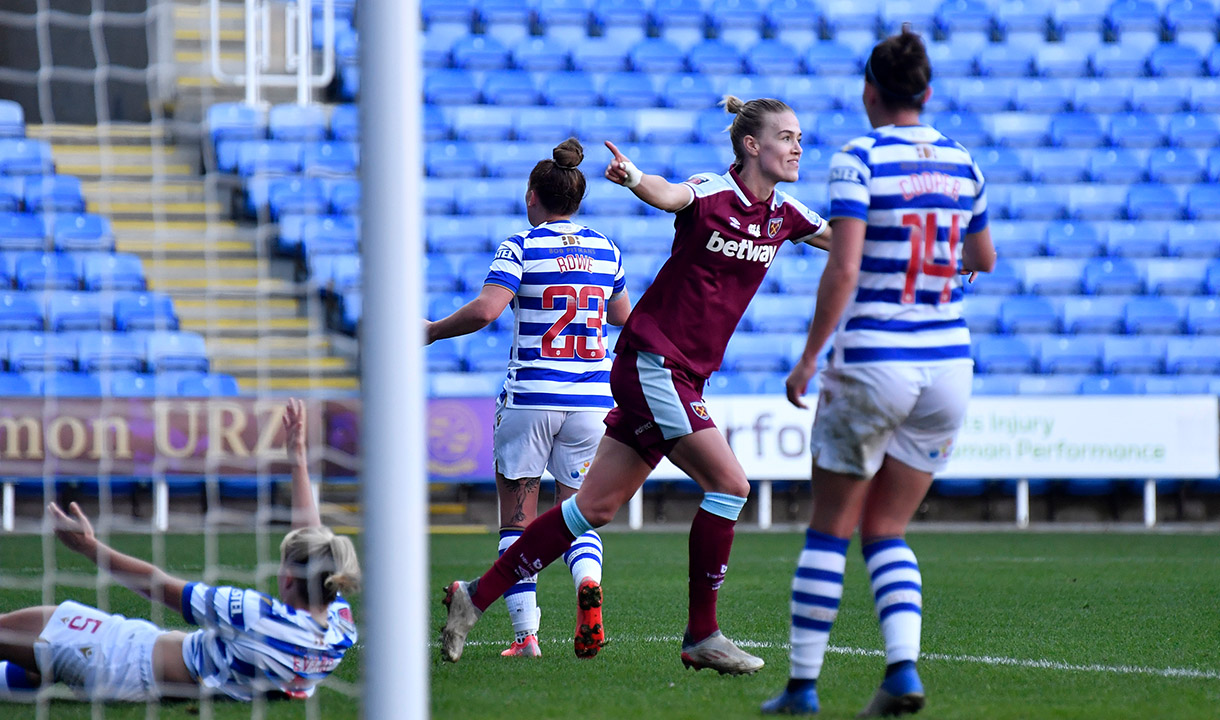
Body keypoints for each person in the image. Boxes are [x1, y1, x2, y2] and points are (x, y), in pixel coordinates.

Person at [440, 96, 832, 675]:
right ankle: (703, 633)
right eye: (787, 136)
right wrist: (633, 178)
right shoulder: (711, 192)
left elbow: (850, 243)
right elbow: (669, 193)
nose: (799, 146)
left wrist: (934, 257)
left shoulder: (787, 214)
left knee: (591, 507)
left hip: (679, 370)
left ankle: (474, 597)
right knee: (729, 484)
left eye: (800, 137)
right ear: (752, 146)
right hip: (656, 360)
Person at [761, 27, 996, 717]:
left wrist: (809, 357)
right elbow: (983, 256)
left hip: (876, 359)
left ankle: (803, 688)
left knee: (831, 526)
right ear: (926, 92)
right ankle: (900, 671)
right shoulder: (961, 160)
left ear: (870, 90)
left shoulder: (859, 157)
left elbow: (845, 263)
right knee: (887, 528)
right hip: (949, 363)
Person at [0, 399, 360, 702]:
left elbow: (159, 585)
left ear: (288, 577)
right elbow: (311, 542)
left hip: (122, 659)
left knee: (24, 628)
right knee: (33, 669)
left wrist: (89, 547)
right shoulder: (338, 630)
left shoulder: (255, 615)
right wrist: (296, 460)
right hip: (145, 668)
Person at [426, 137, 631, 659]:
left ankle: (526, 637)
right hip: (590, 401)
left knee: (517, 521)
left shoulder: (520, 245)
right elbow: (622, 317)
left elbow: (486, 311)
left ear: (532, 196)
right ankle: (587, 581)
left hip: (532, 397)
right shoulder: (606, 248)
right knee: (575, 514)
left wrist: (430, 331)